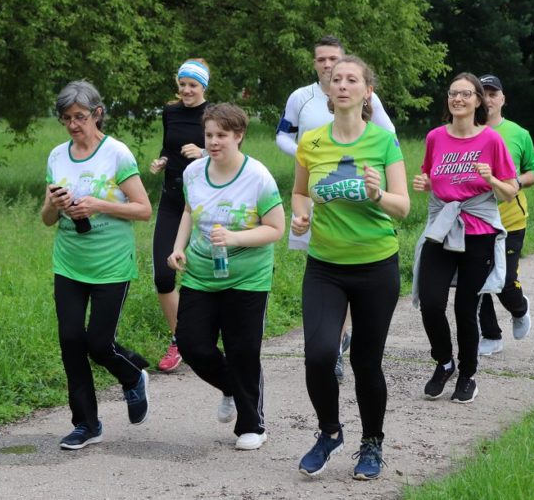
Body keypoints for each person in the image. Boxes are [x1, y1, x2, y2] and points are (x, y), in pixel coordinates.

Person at [291, 56, 409, 480]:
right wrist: (301, 216)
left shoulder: (383, 142)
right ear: (328, 89)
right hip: (325, 266)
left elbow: (403, 207)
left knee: (365, 360)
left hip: (376, 265)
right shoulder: (312, 142)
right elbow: (301, 193)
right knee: (319, 355)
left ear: (367, 92)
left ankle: (372, 444)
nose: (342, 84)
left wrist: (378, 196)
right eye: (335, 78)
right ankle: (329, 431)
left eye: (351, 79)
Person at [277, 35, 395, 383]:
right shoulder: (302, 97)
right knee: (328, 276)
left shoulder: (367, 105)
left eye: (334, 60)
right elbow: (284, 136)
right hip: (319, 196)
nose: (329, 68)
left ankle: (344, 341)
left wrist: (379, 181)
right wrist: (306, 155)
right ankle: (333, 343)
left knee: (366, 344)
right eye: (322, 61)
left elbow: (390, 137)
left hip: (364, 218)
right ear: (315, 65)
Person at [41, 80, 153, 450]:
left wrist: (98, 205)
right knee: (71, 341)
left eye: (80, 117)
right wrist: (55, 205)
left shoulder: (117, 153)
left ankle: (133, 374)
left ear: (97, 114)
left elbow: (143, 209)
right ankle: (86, 424)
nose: (74, 125)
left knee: (99, 343)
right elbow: (46, 219)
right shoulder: (57, 156)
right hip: (69, 262)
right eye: (66, 118)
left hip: (111, 263)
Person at [167, 103, 284, 451]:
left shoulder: (258, 176)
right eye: (209, 135)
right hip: (201, 273)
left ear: (239, 136)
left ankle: (252, 424)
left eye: (221, 135)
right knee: (191, 344)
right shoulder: (194, 172)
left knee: (243, 349)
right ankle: (231, 386)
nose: (214, 142)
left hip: (248, 276)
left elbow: (275, 228)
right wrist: (178, 247)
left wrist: (235, 238)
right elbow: (189, 210)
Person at [412, 72, 517, 404]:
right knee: (430, 303)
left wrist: (492, 180)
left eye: (465, 94)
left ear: (478, 101)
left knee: (465, 308)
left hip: (479, 233)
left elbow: (510, 191)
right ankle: (444, 362)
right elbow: (432, 176)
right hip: (442, 229)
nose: (458, 99)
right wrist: (426, 184)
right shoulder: (435, 138)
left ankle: (469, 374)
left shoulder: (491, 141)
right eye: (453, 93)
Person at [149, 59, 211, 373]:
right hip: (172, 199)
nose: (186, 90)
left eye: (193, 85)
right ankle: (179, 339)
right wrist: (162, 161)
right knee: (163, 273)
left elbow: (230, 154)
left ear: (203, 88)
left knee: (209, 274)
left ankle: (215, 333)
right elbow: (167, 148)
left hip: (205, 203)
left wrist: (204, 153)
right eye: (183, 84)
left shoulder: (213, 115)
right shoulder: (170, 112)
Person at [476, 74, 534, 356]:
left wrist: (517, 181)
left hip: (511, 219)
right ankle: (490, 336)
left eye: (493, 93)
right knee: (476, 282)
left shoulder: (518, 133)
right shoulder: (465, 131)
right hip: (475, 219)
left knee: (503, 281)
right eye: (483, 93)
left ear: (502, 99)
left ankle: (519, 307)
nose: (488, 99)